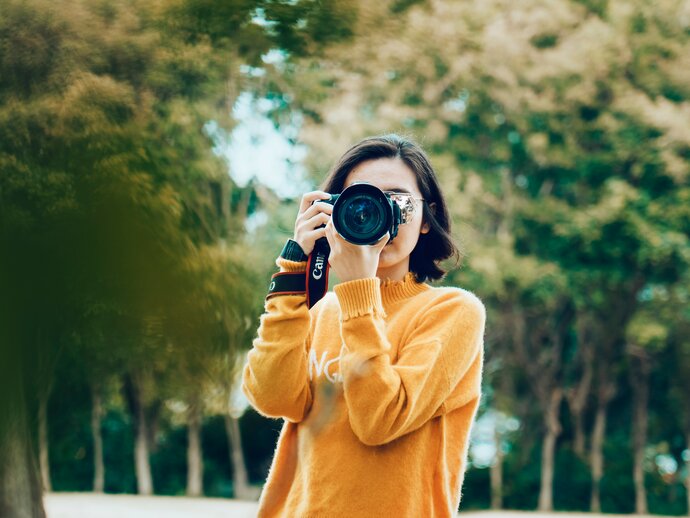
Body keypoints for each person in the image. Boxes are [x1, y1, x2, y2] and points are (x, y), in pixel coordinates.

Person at [241, 133, 486, 517]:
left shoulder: (453, 312)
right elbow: (272, 398)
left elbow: (379, 421)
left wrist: (358, 291)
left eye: (396, 200)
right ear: (333, 211)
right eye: (360, 200)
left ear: (426, 218)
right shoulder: (322, 310)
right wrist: (293, 268)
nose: (376, 213)